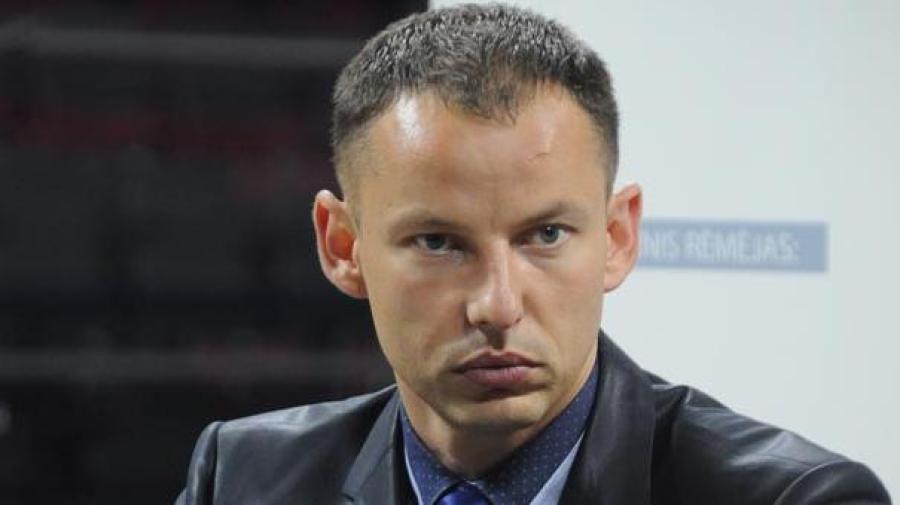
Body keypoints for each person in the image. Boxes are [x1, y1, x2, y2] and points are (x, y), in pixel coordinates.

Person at [175, 4, 890, 504]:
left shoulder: (795, 498)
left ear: (617, 237)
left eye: (545, 235)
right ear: (343, 247)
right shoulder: (242, 480)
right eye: (438, 242)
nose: (497, 305)